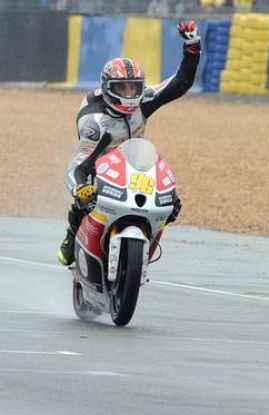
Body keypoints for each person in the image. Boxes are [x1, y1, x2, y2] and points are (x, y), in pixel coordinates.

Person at [56, 21, 202, 266]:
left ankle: (147, 243)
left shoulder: (143, 101)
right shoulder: (95, 122)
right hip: (99, 165)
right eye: (122, 88)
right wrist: (79, 187)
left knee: (173, 204)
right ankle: (72, 234)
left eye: (134, 87)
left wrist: (192, 47)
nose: (129, 94)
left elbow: (180, 83)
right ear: (108, 89)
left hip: (134, 160)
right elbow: (77, 165)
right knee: (85, 199)